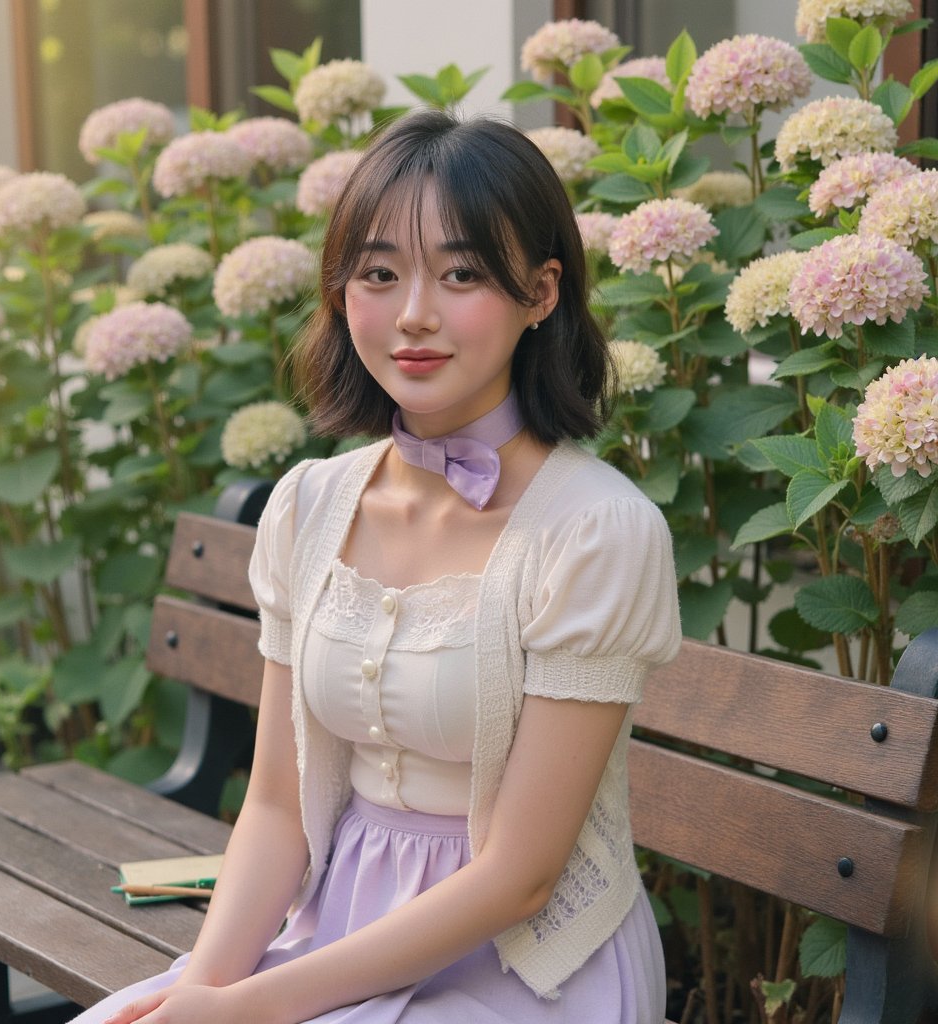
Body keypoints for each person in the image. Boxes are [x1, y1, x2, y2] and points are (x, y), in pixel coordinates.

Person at [82, 109, 681, 1024]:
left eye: (462, 273)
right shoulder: (312, 506)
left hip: (521, 969)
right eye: (379, 273)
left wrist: (256, 1011)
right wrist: (204, 993)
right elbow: (278, 810)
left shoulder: (598, 531)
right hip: (330, 930)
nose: (413, 315)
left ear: (542, 292)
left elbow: (520, 880)